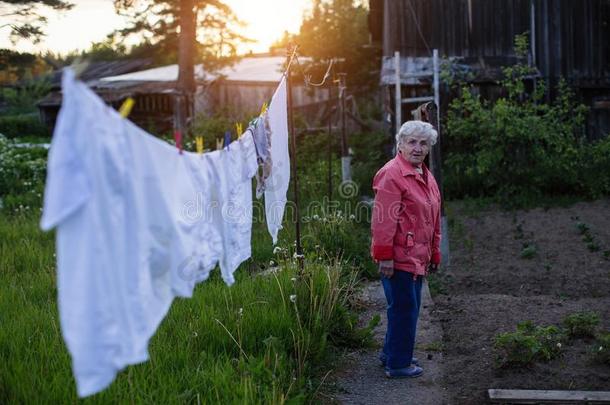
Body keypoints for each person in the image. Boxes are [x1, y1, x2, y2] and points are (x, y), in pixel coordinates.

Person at [370, 120, 441, 379]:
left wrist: (435, 252)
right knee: (404, 309)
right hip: (399, 257)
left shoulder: (424, 174)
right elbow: (383, 220)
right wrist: (385, 256)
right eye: (412, 142)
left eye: (423, 143)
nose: (417, 148)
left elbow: (432, 218)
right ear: (400, 144)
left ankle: (391, 353)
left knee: (405, 307)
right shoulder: (392, 174)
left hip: (417, 256)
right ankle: (398, 365)